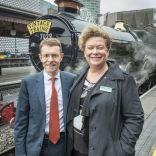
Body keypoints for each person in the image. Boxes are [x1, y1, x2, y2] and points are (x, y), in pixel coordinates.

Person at [66, 25, 144, 156]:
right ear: (84, 51)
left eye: (100, 47)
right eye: (90, 48)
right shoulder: (79, 77)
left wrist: (122, 150)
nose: (95, 52)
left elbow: (135, 118)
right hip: (76, 150)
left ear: (107, 51)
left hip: (105, 151)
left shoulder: (124, 80)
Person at [14, 38, 76, 156]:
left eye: (54, 55)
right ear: (40, 57)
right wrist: (21, 153)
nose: (50, 60)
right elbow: (20, 122)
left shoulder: (72, 80)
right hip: (37, 145)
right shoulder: (28, 83)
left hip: (63, 143)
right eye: (46, 55)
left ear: (61, 57)